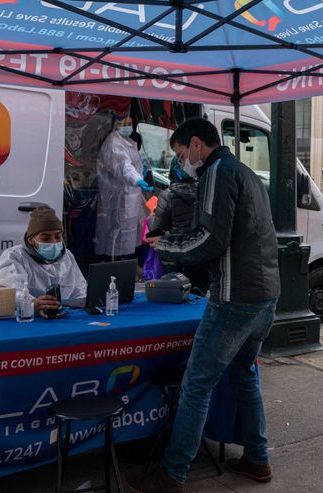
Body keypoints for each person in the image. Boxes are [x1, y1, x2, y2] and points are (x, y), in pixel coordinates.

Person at [128, 118, 279, 493]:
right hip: (265, 293)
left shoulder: (216, 172)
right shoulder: (245, 173)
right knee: (244, 374)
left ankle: (172, 473)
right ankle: (257, 459)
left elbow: (211, 240)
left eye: (181, 154)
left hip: (235, 296)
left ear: (196, 144)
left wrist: (166, 246)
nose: (182, 163)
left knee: (197, 382)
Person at [0, 206, 87, 317]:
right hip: (28, 319)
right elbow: (10, 292)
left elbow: (80, 291)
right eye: (45, 238)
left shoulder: (67, 256)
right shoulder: (14, 257)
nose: (53, 242)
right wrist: (32, 304)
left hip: (64, 317)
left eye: (58, 236)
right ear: (31, 239)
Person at [95, 115, 153, 261]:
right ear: (116, 124)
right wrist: (137, 179)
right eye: (124, 123)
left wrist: (141, 172)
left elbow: (132, 164)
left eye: (130, 122)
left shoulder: (129, 142)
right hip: (120, 197)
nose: (128, 126)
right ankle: (120, 269)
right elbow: (123, 166)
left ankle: (132, 268)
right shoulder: (114, 142)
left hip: (132, 196)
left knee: (134, 234)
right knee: (121, 237)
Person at [148, 159, 210, 293]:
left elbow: (155, 233)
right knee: (198, 302)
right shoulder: (204, 191)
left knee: (175, 304)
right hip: (200, 257)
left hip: (175, 258)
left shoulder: (167, 195)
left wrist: (151, 217)